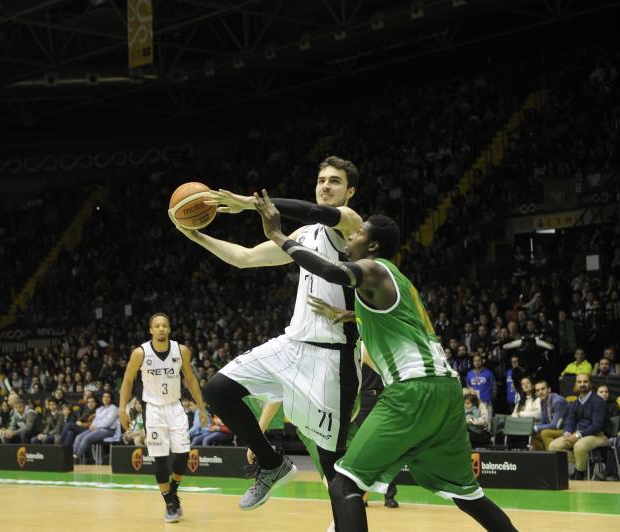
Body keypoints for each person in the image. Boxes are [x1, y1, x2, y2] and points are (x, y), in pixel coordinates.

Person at [253, 191, 516, 531]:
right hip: (446, 391)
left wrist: (277, 234)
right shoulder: (398, 281)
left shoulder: (372, 269)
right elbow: (393, 320)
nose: (352, 235)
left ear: (373, 246)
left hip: (413, 390)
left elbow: (329, 271)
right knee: (468, 495)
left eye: (359, 232)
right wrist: (350, 314)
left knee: (344, 484)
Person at [172, 156, 363, 515]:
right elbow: (245, 258)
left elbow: (311, 211)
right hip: (293, 345)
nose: (325, 186)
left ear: (350, 191)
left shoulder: (352, 224)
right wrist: (195, 234)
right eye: (321, 180)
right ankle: (272, 463)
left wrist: (248, 204)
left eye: (334, 181)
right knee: (218, 389)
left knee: (331, 464)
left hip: (334, 359)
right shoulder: (304, 236)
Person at [119, 313, 208, 523]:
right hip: (154, 410)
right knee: (160, 458)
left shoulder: (181, 350)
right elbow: (128, 380)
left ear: (169, 329)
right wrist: (122, 408)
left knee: (183, 454)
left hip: (176, 407)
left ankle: (173, 491)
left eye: (164, 325)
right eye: (157, 326)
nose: (161, 329)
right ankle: (169, 502)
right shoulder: (140, 353)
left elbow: (191, 380)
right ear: (151, 330)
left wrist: (202, 408)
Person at [548, 374, 608, 480]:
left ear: (590, 384)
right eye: (579, 382)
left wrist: (578, 435)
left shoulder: (598, 401)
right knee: (553, 446)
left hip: (598, 435)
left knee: (579, 446)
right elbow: (570, 420)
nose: (582, 384)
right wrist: (567, 432)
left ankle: (579, 474)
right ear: (576, 384)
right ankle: (584, 463)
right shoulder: (576, 402)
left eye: (585, 382)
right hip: (579, 433)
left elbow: (596, 426)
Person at [531, 380, 568, 451]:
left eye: (543, 389)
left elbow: (555, 425)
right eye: (537, 390)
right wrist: (532, 428)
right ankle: (540, 457)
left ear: (549, 389)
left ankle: (552, 457)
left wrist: (537, 428)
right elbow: (543, 421)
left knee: (545, 433)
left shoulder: (557, 401)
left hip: (566, 429)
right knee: (532, 433)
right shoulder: (542, 401)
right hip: (557, 429)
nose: (540, 392)